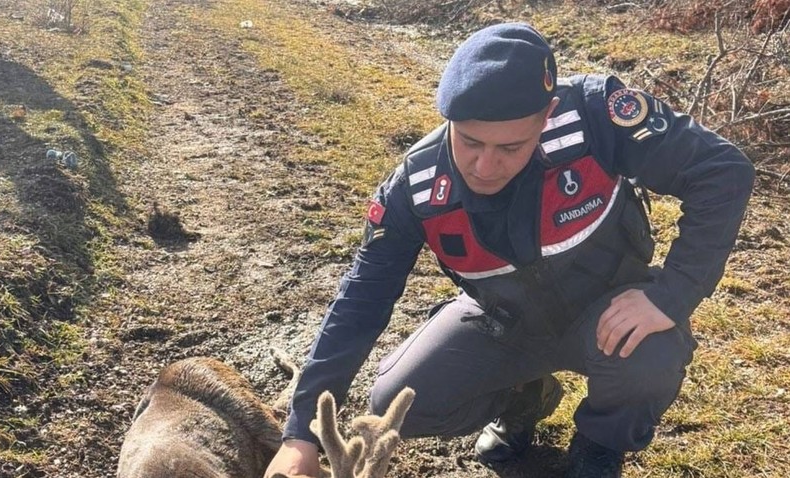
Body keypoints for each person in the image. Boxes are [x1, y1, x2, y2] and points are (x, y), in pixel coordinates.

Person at [264, 22, 754, 478]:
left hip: (608, 309)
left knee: (650, 354)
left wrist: (671, 293)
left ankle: (598, 445)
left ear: (547, 115)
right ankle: (525, 398)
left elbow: (722, 172)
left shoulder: (597, 115)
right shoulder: (414, 187)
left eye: (511, 148)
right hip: (505, 321)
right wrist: (299, 431)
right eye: (470, 141)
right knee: (399, 399)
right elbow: (359, 304)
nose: (484, 165)